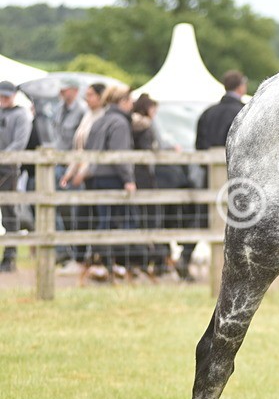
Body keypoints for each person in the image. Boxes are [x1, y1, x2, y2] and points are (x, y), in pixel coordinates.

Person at [178, 69, 246, 281]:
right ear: (241, 87)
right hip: (236, 175)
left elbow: (199, 145)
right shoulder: (244, 111)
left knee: (203, 215)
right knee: (241, 218)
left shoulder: (208, 113)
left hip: (208, 173)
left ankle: (184, 256)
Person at [83, 84, 137, 277]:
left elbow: (89, 147)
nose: (131, 105)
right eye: (130, 101)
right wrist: (128, 179)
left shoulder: (100, 120)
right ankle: (110, 264)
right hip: (114, 178)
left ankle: (98, 262)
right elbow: (119, 154)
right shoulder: (120, 123)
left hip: (98, 177)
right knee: (117, 223)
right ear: (122, 101)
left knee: (102, 220)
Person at [131, 93, 170, 274]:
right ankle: (154, 260)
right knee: (152, 217)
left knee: (139, 217)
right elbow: (154, 147)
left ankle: (141, 260)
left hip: (134, 175)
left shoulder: (130, 123)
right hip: (144, 175)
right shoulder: (146, 126)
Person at [53, 78, 88, 264]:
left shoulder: (82, 111)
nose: (62, 93)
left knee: (75, 211)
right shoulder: (58, 110)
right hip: (58, 165)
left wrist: (76, 168)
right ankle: (62, 249)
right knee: (53, 208)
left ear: (74, 90)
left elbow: (80, 145)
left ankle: (78, 254)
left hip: (73, 167)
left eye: (65, 90)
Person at [0, 80, 33, 272]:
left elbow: (19, 143)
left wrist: (3, 158)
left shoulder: (21, 115)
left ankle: (9, 257)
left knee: (9, 214)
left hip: (9, 169)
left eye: (6, 95)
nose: (3, 99)